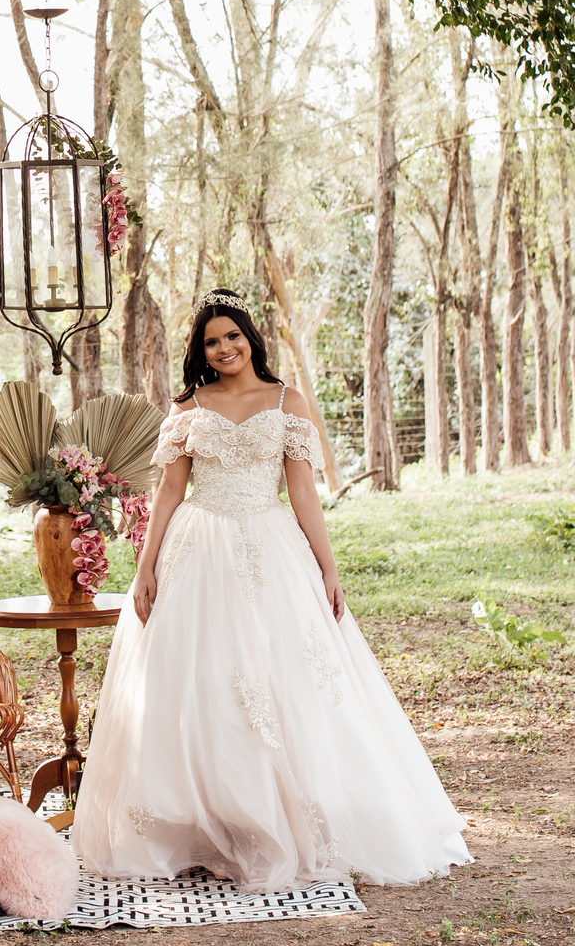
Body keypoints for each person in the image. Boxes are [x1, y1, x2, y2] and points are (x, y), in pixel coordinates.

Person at [71, 288, 470, 894]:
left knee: (286, 679)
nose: (224, 348)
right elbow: (169, 494)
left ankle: (277, 819)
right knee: (201, 682)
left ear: (249, 338)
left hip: (269, 544)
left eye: (232, 336)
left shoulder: (288, 402)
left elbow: (303, 492)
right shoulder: (189, 405)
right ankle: (207, 823)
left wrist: (328, 568)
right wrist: (144, 568)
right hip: (197, 548)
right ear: (201, 351)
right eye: (212, 341)